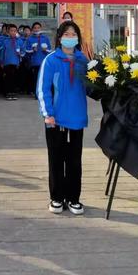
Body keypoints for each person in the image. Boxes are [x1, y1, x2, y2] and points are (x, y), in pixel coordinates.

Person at [37, 21, 88, 215]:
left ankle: (73, 198)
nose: (70, 37)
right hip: (55, 120)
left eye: (73, 34)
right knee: (56, 159)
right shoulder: (51, 60)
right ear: (59, 37)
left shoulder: (84, 60)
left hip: (77, 118)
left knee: (75, 161)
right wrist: (47, 114)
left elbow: (92, 87)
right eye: (66, 34)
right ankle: (57, 197)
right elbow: (43, 89)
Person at [26, 22, 52, 97]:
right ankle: (36, 93)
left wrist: (45, 50)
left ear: (41, 29)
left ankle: (44, 93)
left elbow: (50, 50)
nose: (37, 29)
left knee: (44, 78)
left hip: (44, 62)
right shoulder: (30, 39)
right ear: (32, 29)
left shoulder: (45, 38)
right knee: (36, 78)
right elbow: (27, 50)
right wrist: (33, 50)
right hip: (34, 62)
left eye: (38, 28)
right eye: (35, 28)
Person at [1, 24, 24, 100]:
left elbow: (23, 51)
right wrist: (2, 62)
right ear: (8, 32)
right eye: (11, 31)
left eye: (15, 31)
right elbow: (2, 52)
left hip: (16, 62)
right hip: (7, 62)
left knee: (14, 78)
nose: (13, 32)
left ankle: (13, 93)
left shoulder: (19, 41)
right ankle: (8, 92)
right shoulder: (5, 41)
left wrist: (20, 54)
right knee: (8, 78)